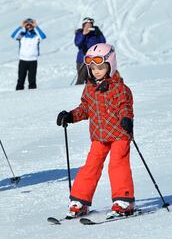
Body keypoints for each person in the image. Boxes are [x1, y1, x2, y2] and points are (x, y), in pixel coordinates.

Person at [56, 43, 135, 218]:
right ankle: (80, 200)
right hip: (99, 136)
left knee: (117, 164)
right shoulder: (90, 88)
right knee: (91, 166)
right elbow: (85, 108)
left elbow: (125, 106)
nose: (96, 71)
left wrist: (126, 119)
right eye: (93, 68)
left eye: (100, 67)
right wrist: (70, 116)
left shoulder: (119, 88)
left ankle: (124, 201)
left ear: (110, 65)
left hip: (120, 134)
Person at [11, 18, 46, 90]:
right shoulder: (22, 35)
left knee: (32, 81)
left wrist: (36, 26)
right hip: (23, 60)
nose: (29, 26)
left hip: (33, 61)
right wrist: (21, 26)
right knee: (20, 80)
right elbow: (13, 36)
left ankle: (32, 97)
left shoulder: (36, 36)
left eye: (30, 25)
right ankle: (17, 96)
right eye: (27, 25)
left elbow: (43, 36)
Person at [74, 17, 106, 85]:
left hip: (94, 59)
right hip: (82, 59)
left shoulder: (96, 33)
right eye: (87, 25)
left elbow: (103, 43)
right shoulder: (79, 32)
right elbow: (77, 43)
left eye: (90, 24)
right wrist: (83, 34)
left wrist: (99, 33)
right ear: (84, 25)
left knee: (93, 79)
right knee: (81, 79)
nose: (89, 26)